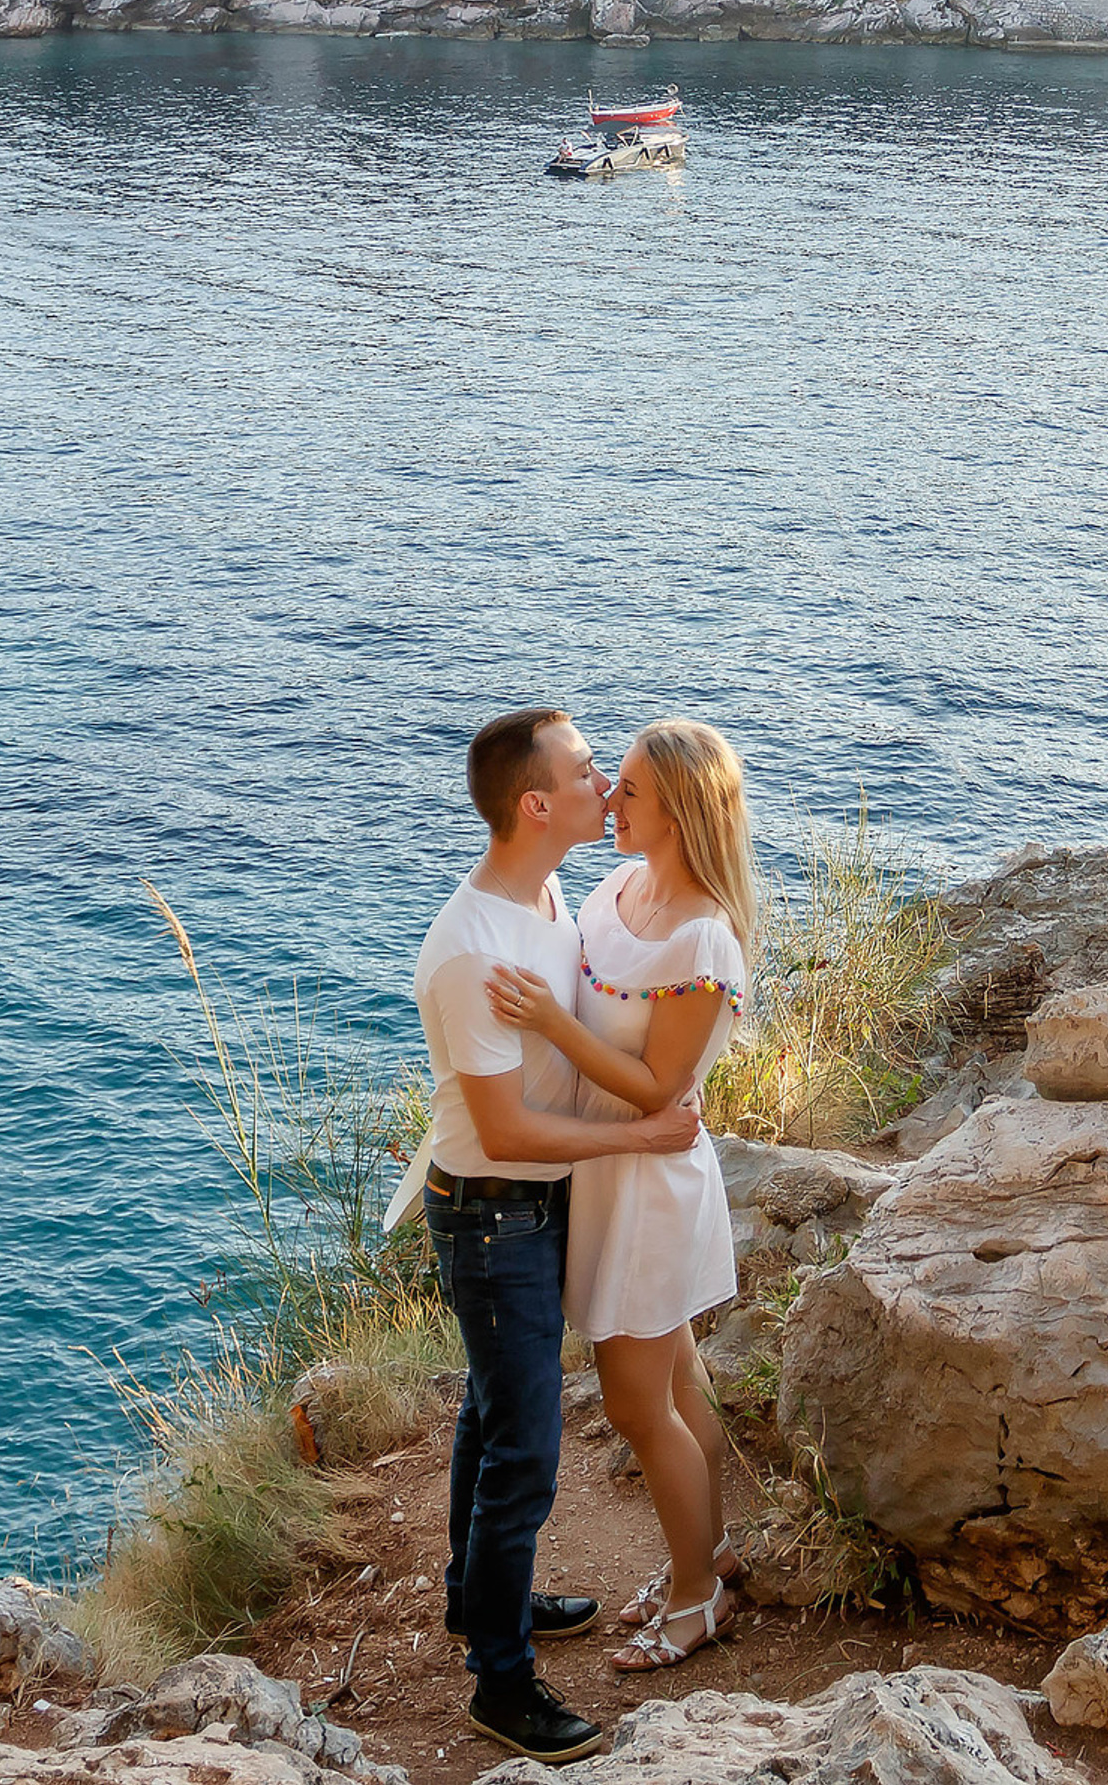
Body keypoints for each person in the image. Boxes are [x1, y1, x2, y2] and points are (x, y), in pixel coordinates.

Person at [384, 706, 701, 1767]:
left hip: (529, 1204)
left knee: (491, 1410)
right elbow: (510, 1127)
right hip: (493, 1212)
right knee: (524, 1447)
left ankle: (479, 1602)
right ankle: (501, 1684)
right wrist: (648, 1132)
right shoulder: (473, 948)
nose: (602, 780)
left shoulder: (551, 890)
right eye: (582, 770)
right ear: (536, 804)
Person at [486, 717, 754, 1673]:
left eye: (628, 789)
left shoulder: (702, 942)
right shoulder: (619, 885)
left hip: (646, 1182)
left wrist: (552, 1024)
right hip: (606, 1173)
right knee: (680, 1381)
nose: (609, 798)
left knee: (642, 1409)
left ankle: (694, 1601)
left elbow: (660, 1090)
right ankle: (711, 1555)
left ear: (677, 809)